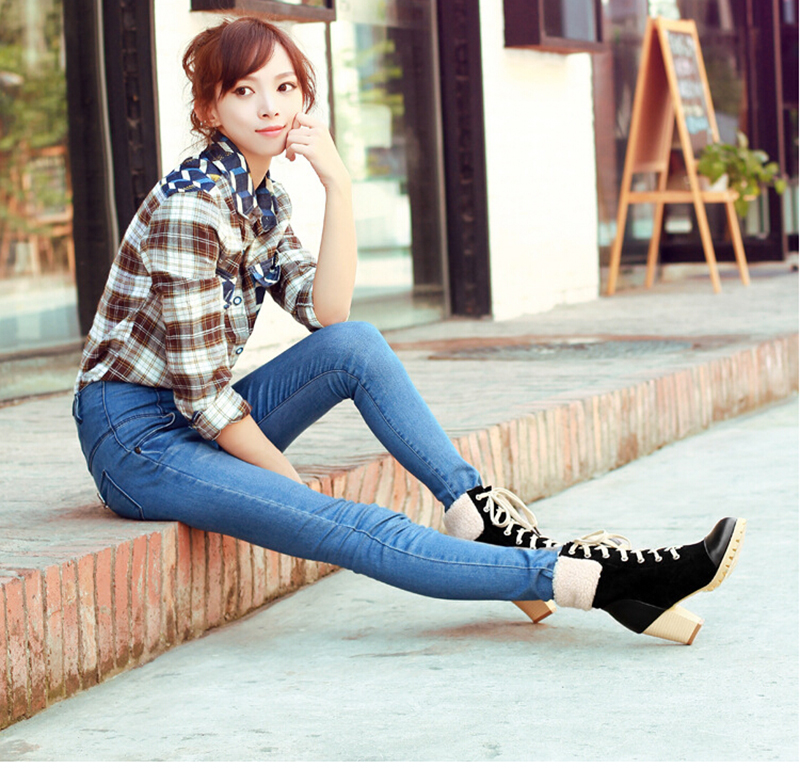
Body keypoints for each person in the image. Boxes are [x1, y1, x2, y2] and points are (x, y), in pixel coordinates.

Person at [72, 16, 745, 645]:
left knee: (356, 345)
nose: (270, 107)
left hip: (195, 416)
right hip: (136, 440)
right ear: (209, 110)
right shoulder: (191, 208)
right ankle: (598, 580)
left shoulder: (263, 198)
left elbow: (328, 315)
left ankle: (476, 512)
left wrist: (339, 185)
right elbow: (204, 400)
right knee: (347, 524)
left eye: (284, 87)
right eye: (244, 92)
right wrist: (297, 496)